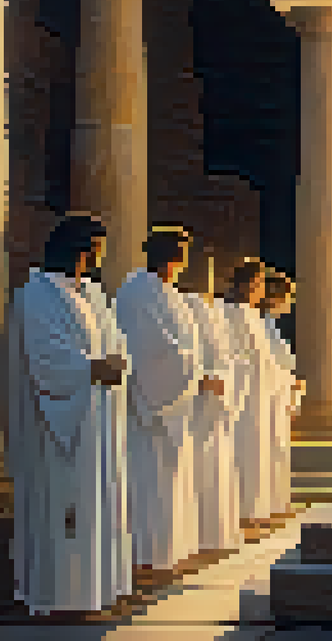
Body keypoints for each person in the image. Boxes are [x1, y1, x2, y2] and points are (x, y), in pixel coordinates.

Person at [6, 214, 131, 614]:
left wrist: (116, 363)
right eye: (97, 248)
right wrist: (92, 369)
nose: (101, 257)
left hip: (97, 415)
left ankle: (95, 592)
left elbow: (115, 340)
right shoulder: (37, 292)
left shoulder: (93, 294)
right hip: (61, 416)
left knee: (97, 507)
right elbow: (44, 355)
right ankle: (62, 597)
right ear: (80, 249)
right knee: (66, 506)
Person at [116, 226, 213, 584]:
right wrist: (196, 370)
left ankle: (166, 554)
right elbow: (150, 349)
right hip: (152, 405)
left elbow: (179, 345)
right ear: (169, 254)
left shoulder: (166, 292)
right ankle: (146, 559)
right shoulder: (137, 292)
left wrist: (194, 369)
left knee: (171, 481)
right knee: (151, 481)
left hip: (175, 401)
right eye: (182, 250)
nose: (185, 258)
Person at [185, 256, 240, 556]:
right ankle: (203, 537)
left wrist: (229, 381)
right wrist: (203, 377)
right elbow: (190, 352)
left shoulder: (214, 310)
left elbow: (227, 354)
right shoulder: (187, 307)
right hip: (197, 398)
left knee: (218, 469)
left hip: (219, 396)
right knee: (202, 471)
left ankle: (216, 534)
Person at [222, 258, 275, 529]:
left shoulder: (254, 316)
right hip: (243, 394)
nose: (260, 290)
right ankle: (242, 512)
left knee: (257, 452)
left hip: (260, 394)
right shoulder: (230, 313)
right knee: (244, 451)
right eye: (257, 283)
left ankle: (255, 510)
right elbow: (233, 355)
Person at [259, 269, 304, 516]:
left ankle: (276, 502)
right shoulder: (261, 325)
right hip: (269, 396)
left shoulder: (270, 326)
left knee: (277, 450)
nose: (290, 302)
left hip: (278, 394)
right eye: (288, 296)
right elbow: (267, 364)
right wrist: (289, 381)